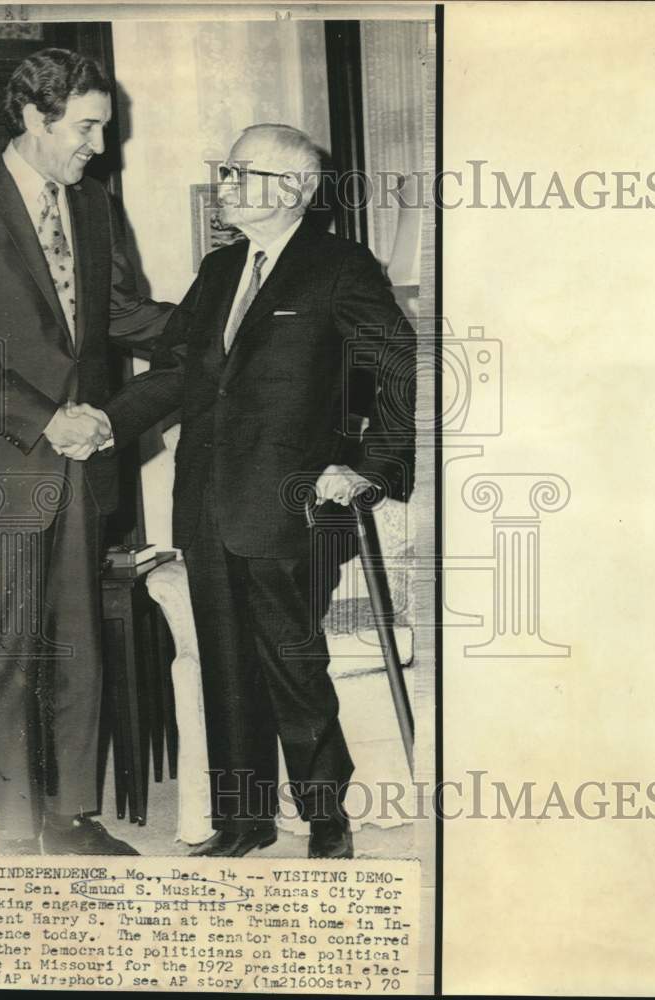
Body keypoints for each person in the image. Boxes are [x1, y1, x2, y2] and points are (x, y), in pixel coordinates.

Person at [94, 123, 415, 858]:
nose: (224, 185)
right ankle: (244, 820)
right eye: (225, 170)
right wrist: (102, 426)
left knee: (292, 662)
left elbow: (396, 366)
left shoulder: (338, 266)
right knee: (226, 664)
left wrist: (365, 468)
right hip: (206, 499)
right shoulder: (217, 271)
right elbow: (175, 375)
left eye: (240, 173)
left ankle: (325, 819)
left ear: (294, 189)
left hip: (292, 504)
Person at [0, 48, 172, 855]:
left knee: (79, 646)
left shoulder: (94, 205)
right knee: (6, 654)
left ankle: (71, 816)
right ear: (34, 118)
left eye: (103, 127)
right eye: (86, 127)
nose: (98, 145)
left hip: (82, 466)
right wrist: (46, 420)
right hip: (5, 463)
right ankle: (12, 837)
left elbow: (124, 316)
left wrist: (226, 318)